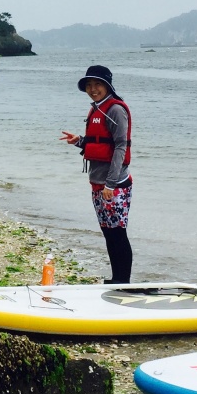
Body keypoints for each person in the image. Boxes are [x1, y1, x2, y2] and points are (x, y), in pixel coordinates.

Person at [59, 65, 133, 284]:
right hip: (98, 183)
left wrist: (110, 184)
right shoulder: (96, 109)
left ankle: (123, 282)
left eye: (97, 84)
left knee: (118, 233)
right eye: (89, 85)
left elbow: (120, 147)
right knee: (108, 233)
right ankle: (115, 279)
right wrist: (79, 141)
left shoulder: (116, 110)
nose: (93, 89)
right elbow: (99, 144)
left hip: (115, 185)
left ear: (107, 85)